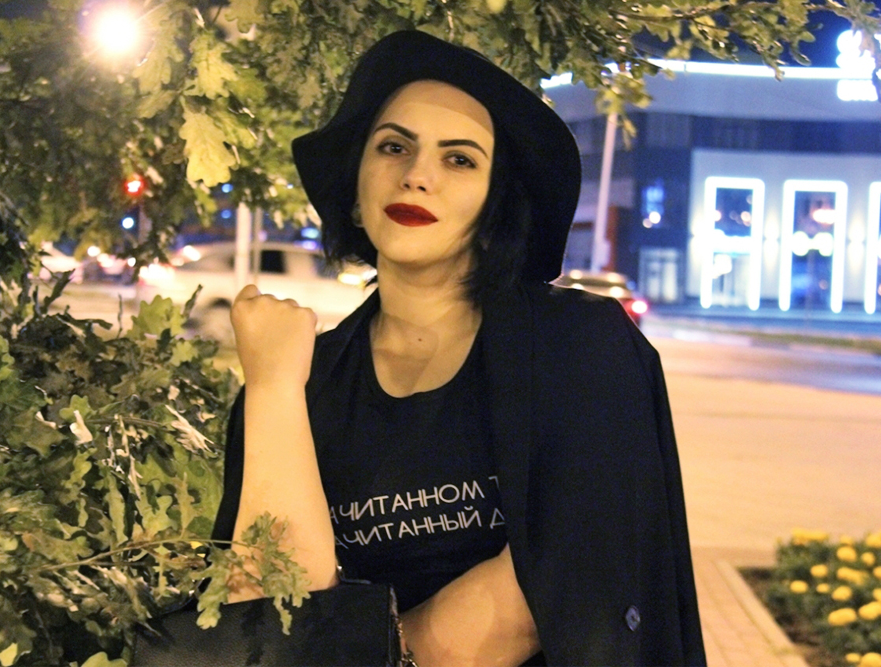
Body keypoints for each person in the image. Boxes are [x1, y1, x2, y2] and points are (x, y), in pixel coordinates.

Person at [213, 30, 706, 666]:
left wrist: (341, 651)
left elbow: (537, 604)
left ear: (496, 208)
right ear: (356, 196)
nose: (416, 176)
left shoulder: (580, 348)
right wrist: (274, 388)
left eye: (460, 160)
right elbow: (268, 620)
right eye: (394, 147)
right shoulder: (307, 381)